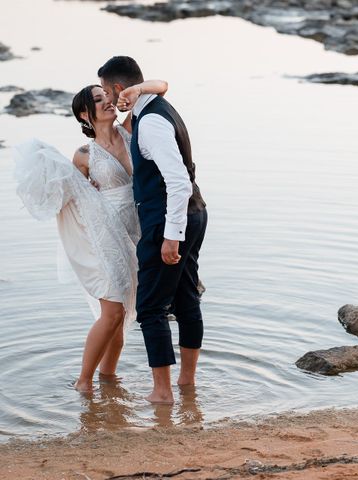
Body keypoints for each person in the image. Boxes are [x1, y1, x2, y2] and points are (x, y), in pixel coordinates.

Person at [15, 79, 169, 394]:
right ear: (85, 115)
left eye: (106, 96)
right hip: (105, 235)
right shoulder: (84, 155)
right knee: (112, 309)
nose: (108, 101)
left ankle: (108, 378)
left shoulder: (131, 131)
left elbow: (162, 88)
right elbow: (77, 200)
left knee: (123, 312)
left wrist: (135, 90)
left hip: (138, 230)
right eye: (99, 100)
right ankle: (83, 382)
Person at [98, 56, 207, 404]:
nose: (105, 97)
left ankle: (163, 393)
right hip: (195, 213)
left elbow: (177, 182)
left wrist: (170, 235)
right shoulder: (155, 105)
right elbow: (161, 84)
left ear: (118, 89)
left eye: (104, 90)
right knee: (186, 297)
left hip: (169, 219)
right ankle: (186, 383)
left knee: (150, 308)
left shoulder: (151, 124)